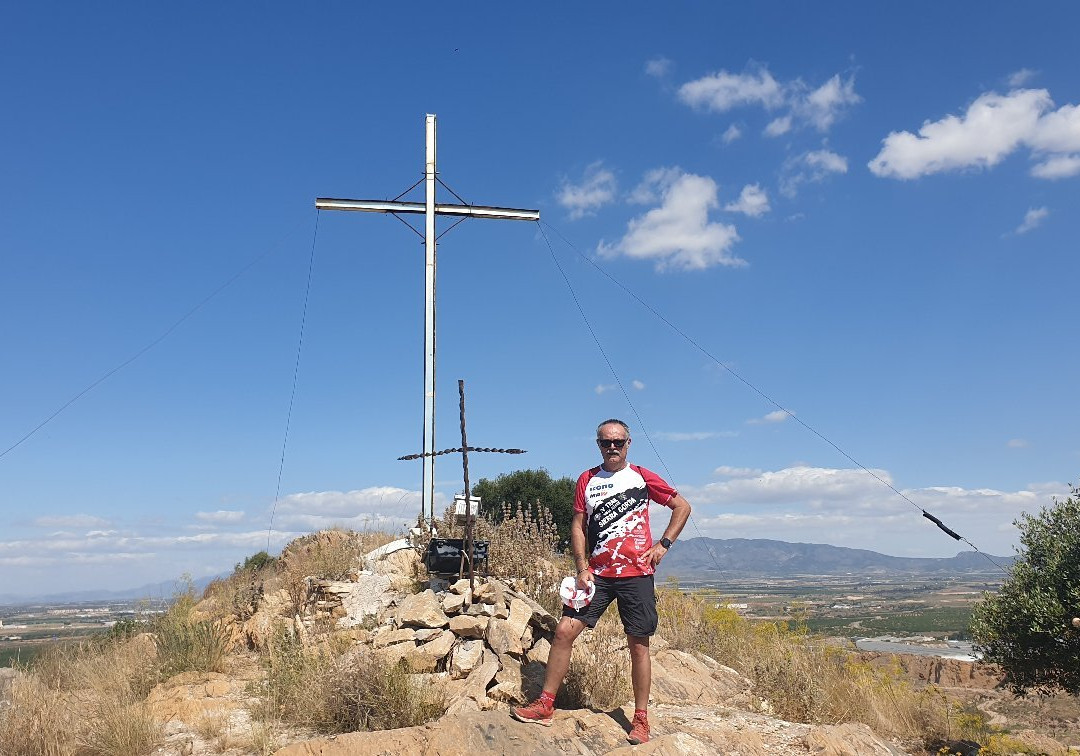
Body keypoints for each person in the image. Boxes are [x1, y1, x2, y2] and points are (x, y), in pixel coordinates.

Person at [511, 418, 692, 744]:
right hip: (597, 574)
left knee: (638, 644)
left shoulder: (642, 477)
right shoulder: (588, 479)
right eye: (605, 442)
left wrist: (663, 545)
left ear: (628, 443)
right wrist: (581, 567)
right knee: (564, 630)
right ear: (598, 444)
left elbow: (681, 506)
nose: (612, 447)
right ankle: (545, 704)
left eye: (618, 442)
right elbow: (578, 525)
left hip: (636, 575)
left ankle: (640, 720)